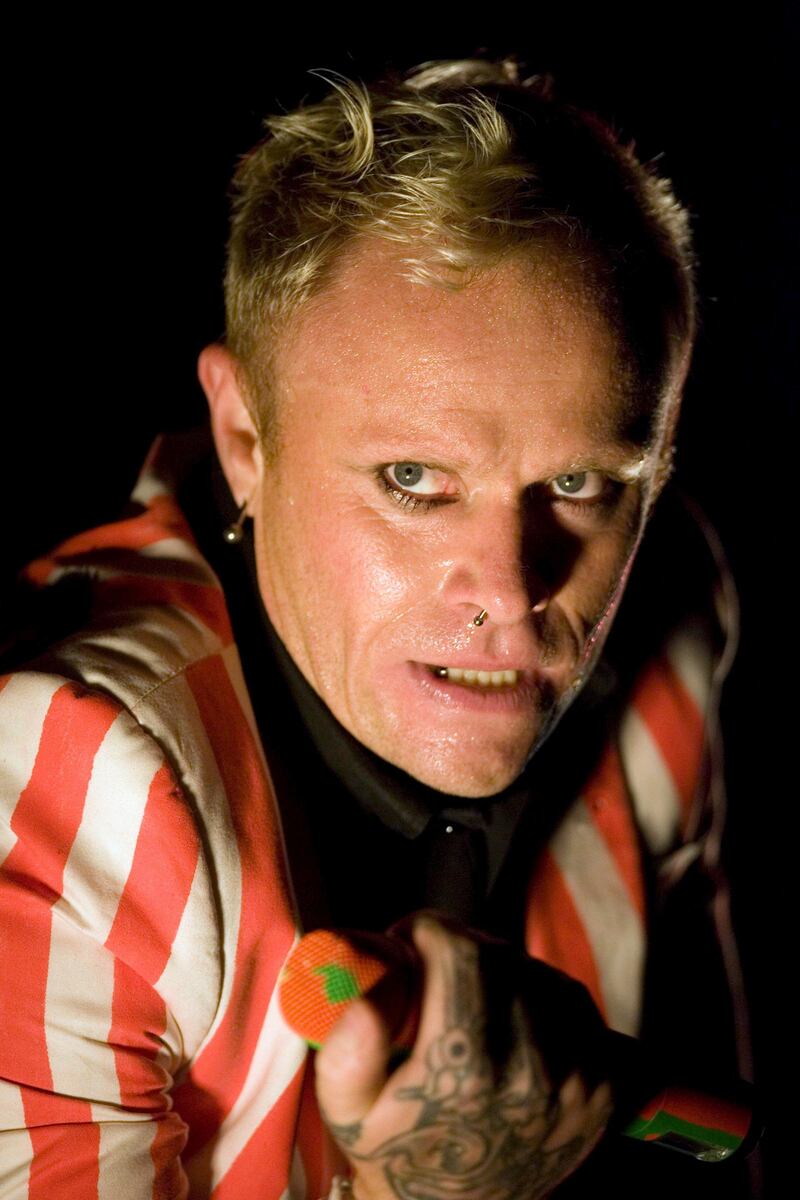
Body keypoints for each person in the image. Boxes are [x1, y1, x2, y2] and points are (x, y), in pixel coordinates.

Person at [0, 59, 752, 1198]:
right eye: (412, 478)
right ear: (246, 441)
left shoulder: (668, 616)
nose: (507, 588)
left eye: (580, 484)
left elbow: (716, 1164)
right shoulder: (62, 795)